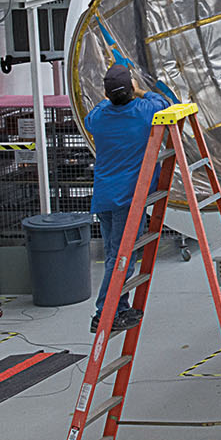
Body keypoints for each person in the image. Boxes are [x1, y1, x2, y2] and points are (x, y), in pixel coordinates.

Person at [83, 64, 169, 329]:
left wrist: (113, 95)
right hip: (128, 199)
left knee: (113, 254)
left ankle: (118, 307)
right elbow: (161, 101)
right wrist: (140, 89)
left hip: (104, 197)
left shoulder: (98, 120)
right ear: (131, 89)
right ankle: (104, 313)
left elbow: (94, 113)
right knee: (122, 259)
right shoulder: (145, 113)